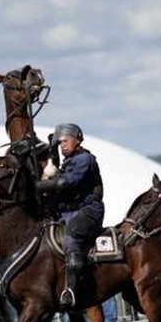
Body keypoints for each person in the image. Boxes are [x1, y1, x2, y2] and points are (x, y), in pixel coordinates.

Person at [36, 123, 104, 309]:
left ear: (77, 140)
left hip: (88, 210)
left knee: (71, 239)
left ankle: (71, 290)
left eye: (65, 141)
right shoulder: (67, 162)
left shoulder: (84, 160)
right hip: (66, 213)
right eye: (60, 143)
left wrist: (36, 187)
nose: (62, 145)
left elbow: (65, 183)